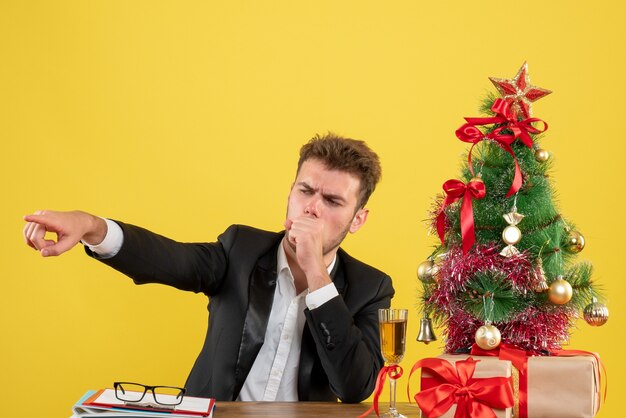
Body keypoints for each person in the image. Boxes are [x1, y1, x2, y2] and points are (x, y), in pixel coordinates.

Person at [23, 133, 394, 403]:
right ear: (290, 192)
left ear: (357, 220)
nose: (311, 208)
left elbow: (355, 386)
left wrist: (317, 275)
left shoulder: (371, 288)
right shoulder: (241, 249)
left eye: (331, 200)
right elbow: (169, 259)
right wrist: (92, 226)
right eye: (305, 191)